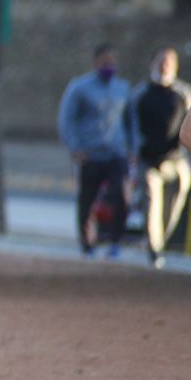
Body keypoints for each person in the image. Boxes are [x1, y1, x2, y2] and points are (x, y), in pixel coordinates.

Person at [57, 43, 133, 259]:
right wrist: (75, 148)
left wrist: (132, 149)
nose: (110, 66)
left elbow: (130, 121)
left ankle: (115, 242)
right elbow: (66, 120)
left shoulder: (123, 88)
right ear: (95, 62)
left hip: (116, 154)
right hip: (90, 155)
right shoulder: (79, 88)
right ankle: (87, 245)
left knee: (122, 196)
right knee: (87, 200)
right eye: (105, 61)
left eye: (113, 62)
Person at [132, 47, 191, 269]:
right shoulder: (141, 93)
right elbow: (130, 125)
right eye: (161, 61)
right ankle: (154, 250)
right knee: (152, 203)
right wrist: (134, 152)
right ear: (152, 64)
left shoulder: (184, 93)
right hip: (149, 161)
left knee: (173, 206)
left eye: (169, 62)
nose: (164, 66)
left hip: (176, 160)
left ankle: (160, 241)